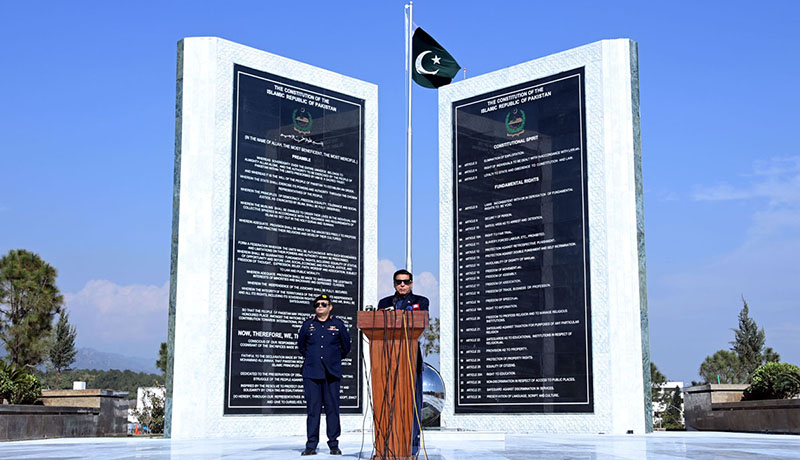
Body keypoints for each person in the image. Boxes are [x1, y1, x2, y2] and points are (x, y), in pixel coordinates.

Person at [377, 269, 429, 457]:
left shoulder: (421, 301)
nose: (402, 285)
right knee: (387, 403)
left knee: (413, 404)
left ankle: (412, 446)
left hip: (411, 361)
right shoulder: (384, 303)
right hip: (387, 362)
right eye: (399, 282)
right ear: (393, 284)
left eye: (406, 282)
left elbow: (420, 320)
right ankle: (385, 445)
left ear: (412, 283)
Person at [297, 294, 351, 456]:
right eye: (317, 304)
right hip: (312, 373)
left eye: (323, 304)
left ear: (330, 307)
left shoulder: (338, 325)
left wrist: (333, 359)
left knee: (332, 410)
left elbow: (346, 346)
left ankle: (333, 444)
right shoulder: (308, 325)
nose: (320, 306)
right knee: (313, 410)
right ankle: (311, 445)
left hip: (331, 374)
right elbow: (301, 347)